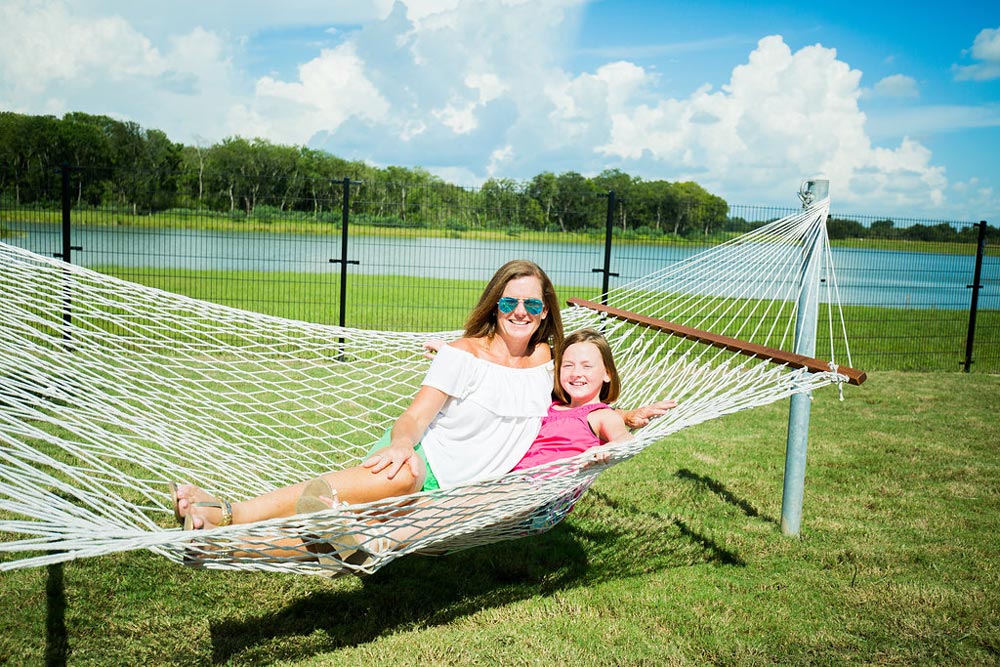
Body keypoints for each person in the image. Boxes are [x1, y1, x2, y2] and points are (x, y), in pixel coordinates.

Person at [171, 260, 674, 543]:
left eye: (532, 304)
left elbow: (579, 401)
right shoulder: (463, 352)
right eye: (509, 302)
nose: (520, 312)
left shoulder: (549, 360)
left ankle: (222, 540)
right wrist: (403, 444)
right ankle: (226, 515)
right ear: (495, 304)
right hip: (426, 464)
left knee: (342, 537)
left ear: (545, 314)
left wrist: (626, 416)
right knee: (378, 486)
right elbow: (415, 414)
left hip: (470, 493)